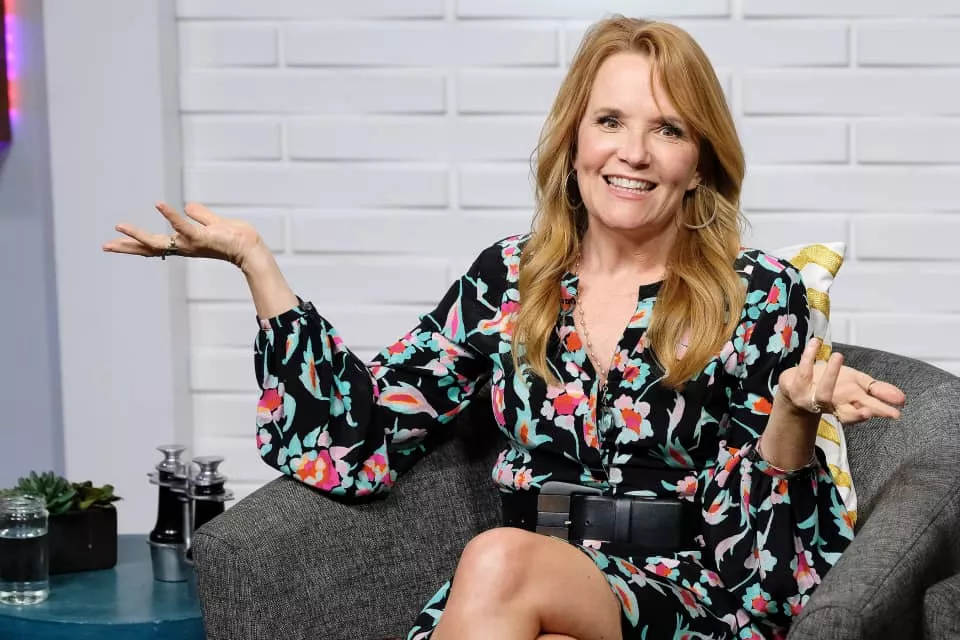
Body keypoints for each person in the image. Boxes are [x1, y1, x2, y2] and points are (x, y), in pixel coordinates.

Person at [104, 15, 906, 640]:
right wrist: (257, 265)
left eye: (668, 129)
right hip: (519, 597)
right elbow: (362, 437)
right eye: (610, 121)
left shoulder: (756, 293)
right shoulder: (511, 277)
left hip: (681, 592)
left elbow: (769, 548)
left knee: (495, 561)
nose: (633, 152)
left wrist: (792, 414)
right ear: (575, 139)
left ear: (699, 161)